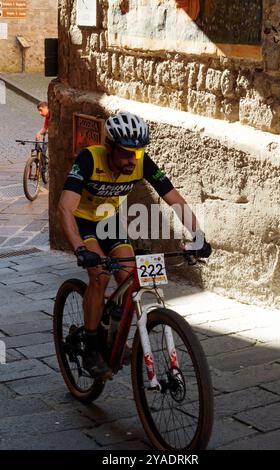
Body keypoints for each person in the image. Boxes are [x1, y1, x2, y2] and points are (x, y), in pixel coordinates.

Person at [58, 111, 211, 380]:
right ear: (110, 148)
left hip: (109, 221)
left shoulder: (140, 162)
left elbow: (174, 199)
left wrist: (198, 234)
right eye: (127, 153)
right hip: (83, 222)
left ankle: (114, 335)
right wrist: (81, 249)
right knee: (100, 277)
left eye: (137, 153)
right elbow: (65, 207)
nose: (132, 160)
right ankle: (93, 346)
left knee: (130, 278)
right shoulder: (89, 159)